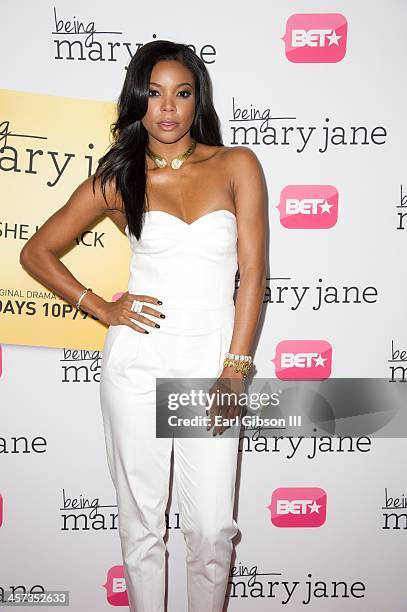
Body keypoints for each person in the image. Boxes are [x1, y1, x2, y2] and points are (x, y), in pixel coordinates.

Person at [20, 40, 267, 612]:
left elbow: (253, 274)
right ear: (138, 101)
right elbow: (37, 252)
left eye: (182, 94)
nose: (168, 108)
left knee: (209, 528)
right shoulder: (121, 177)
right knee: (141, 528)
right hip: (137, 364)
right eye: (154, 94)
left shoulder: (237, 166)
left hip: (212, 366)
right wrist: (100, 306)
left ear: (196, 100)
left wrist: (234, 370)